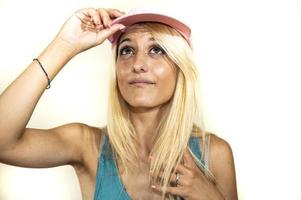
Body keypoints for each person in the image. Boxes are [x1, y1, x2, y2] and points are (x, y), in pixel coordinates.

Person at [0, 7, 238, 200]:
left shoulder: (214, 154)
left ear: (180, 68)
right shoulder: (87, 145)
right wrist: (65, 45)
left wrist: (209, 196)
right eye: (126, 51)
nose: (137, 64)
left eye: (156, 50)